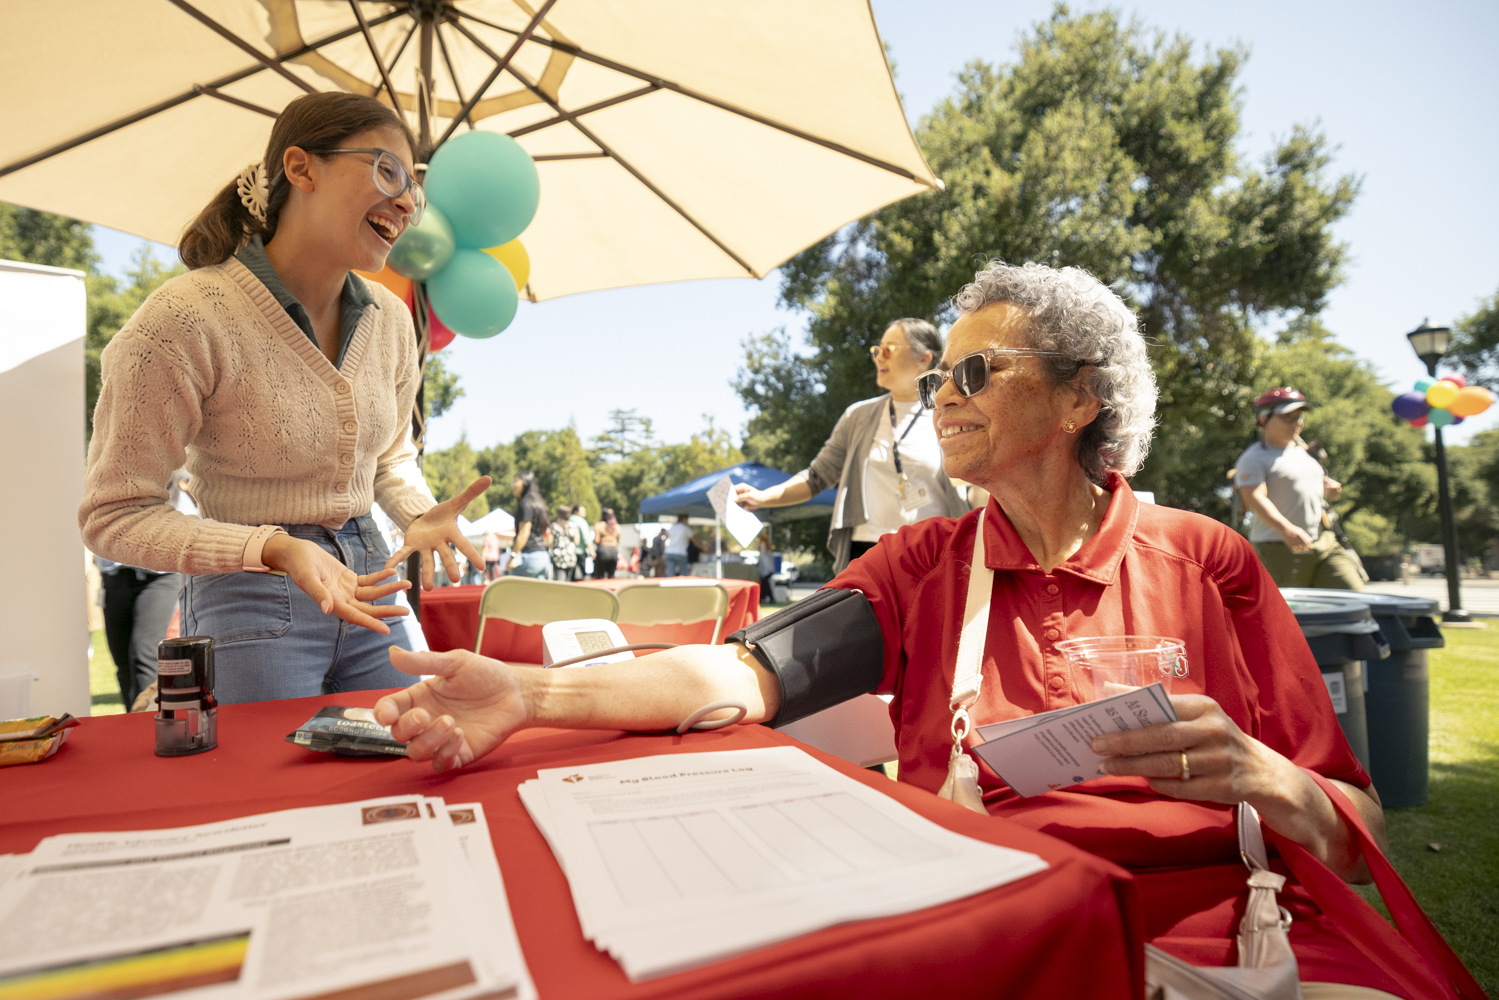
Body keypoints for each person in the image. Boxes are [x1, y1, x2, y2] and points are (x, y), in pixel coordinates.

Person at [375, 260, 1483, 1000]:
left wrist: (1268, 781)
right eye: (934, 373)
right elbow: (744, 668)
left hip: (1217, 946)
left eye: (970, 372)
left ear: (1075, 399)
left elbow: (1358, 833)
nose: (938, 396)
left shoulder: (1208, 562)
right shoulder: (922, 567)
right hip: (993, 946)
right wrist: (531, 695)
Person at [78, 91, 487, 704]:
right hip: (245, 589)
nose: (406, 202)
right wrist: (269, 547)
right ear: (301, 168)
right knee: (271, 784)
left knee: (408, 761)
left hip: (372, 578)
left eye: (415, 189)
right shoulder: (183, 319)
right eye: (386, 170)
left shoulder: (392, 320)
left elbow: (391, 458)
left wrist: (416, 512)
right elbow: (113, 515)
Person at [735, 318, 970, 575]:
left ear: (923, 358)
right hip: (868, 552)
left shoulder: (949, 414)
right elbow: (817, 476)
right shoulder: (857, 416)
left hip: (932, 556)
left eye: (889, 349)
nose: (879, 357)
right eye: (876, 350)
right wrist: (761, 497)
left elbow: (973, 484)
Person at [1235, 388, 1363, 591]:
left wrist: (1328, 489)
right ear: (1264, 419)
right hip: (1279, 546)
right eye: (1287, 417)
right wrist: (1287, 529)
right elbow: (1254, 497)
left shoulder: (1305, 453)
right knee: (1286, 616)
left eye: (1299, 416)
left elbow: (1305, 488)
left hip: (1323, 542)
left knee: (1354, 598)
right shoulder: (1253, 458)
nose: (1296, 422)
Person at [507, 473, 551, 578]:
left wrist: (513, 556)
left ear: (525, 483)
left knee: (518, 592)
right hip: (542, 556)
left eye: (516, 481)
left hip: (528, 557)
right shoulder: (539, 502)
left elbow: (523, 533)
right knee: (539, 594)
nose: (513, 485)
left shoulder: (525, 503)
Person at [592, 508, 621, 579]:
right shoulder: (617, 526)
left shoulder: (599, 525)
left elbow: (597, 540)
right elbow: (618, 541)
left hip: (603, 551)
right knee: (611, 575)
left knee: (600, 575)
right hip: (613, 551)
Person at [568, 504, 594, 581]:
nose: (584, 513)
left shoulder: (568, 520)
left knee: (571, 574)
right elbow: (585, 537)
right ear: (576, 512)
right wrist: (591, 550)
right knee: (586, 573)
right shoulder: (581, 521)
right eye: (582, 511)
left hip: (569, 551)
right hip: (580, 550)